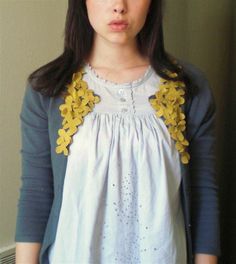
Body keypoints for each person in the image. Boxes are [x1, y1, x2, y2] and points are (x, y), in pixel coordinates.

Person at [15, 0, 221, 263]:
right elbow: (36, 193)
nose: (119, 6)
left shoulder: (190, 88)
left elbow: (203, 191)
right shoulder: (47, 89)